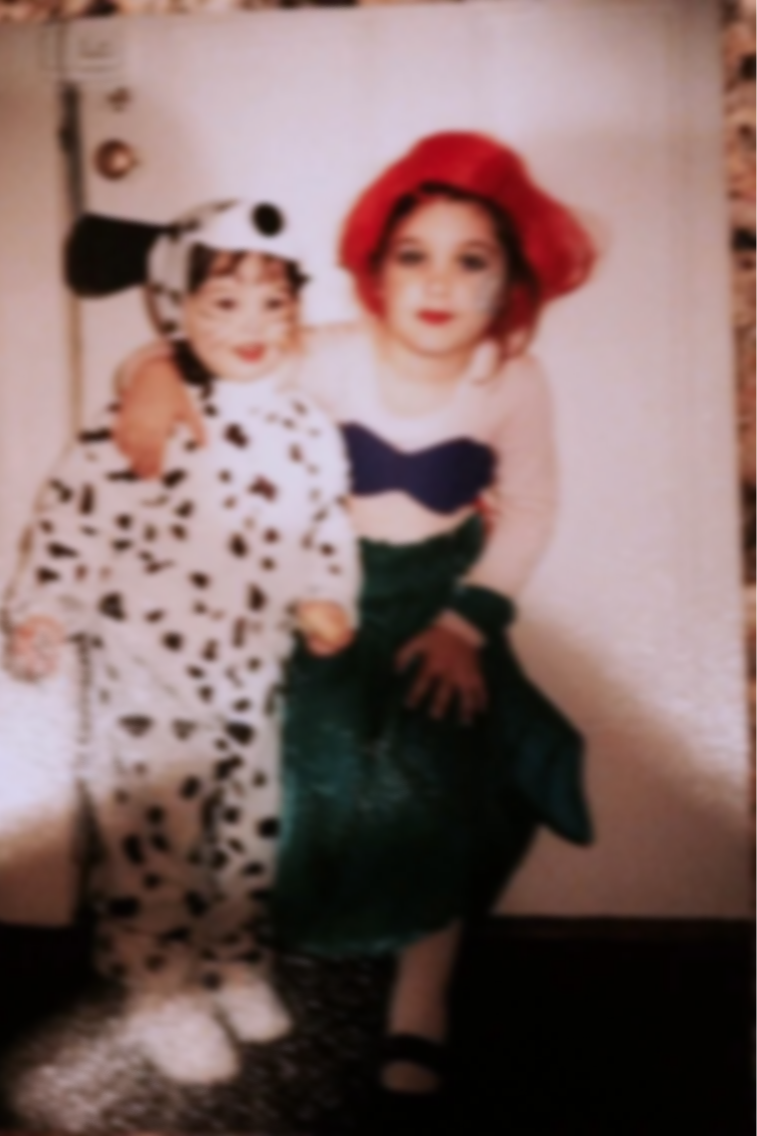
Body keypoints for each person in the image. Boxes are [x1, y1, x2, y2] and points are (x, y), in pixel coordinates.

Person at [111, 132, 596, 1129]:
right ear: (373, 271)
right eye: (413, 253)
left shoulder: (512, 379)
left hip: (435, 606)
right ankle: (267, 959)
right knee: (300, 778)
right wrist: (152, 368)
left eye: (471, 260)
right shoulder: (328, 353)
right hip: (319, 597)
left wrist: (468, 621)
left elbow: (534, 505)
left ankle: (421, 996)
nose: (438, 282)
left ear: (509, 284)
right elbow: (216, 354)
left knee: (443, 778)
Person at [2, 198, 359, 1087]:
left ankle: (232, 962)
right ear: (175, 311)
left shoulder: (309, 429)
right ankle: (156, 988)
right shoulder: (143, 418)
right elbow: (74, 522)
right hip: (151, 679)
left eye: (272, 304)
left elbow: (327, 527)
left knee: (246, 836)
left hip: (253, 677)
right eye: (223, 303)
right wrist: (47, 610)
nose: (251, 325)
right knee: (154, 844)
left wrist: (326, 596)